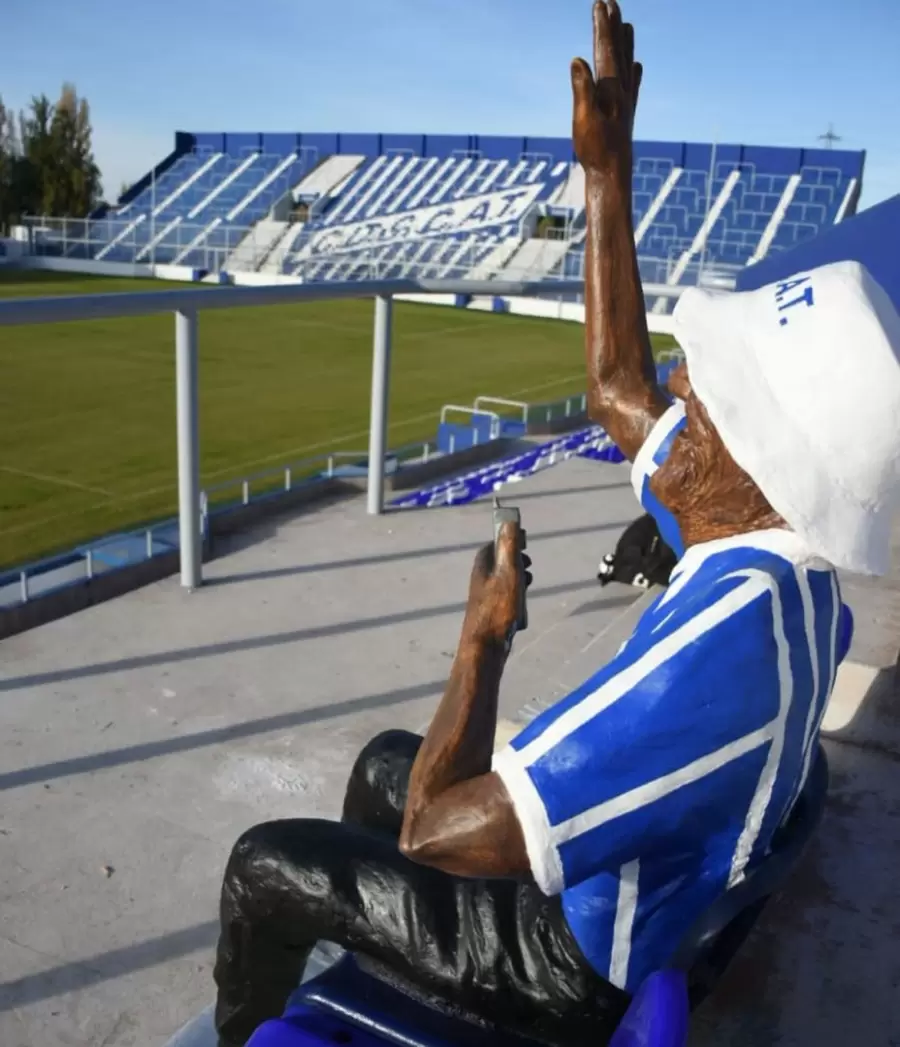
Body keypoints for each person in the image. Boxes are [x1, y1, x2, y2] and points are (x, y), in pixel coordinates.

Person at [212, 4, 900, 1046]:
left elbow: (434, 829)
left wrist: (482, 640)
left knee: (266, 862)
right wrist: (606, 173)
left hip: (566, 962)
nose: (679, 390)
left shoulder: (717, 658)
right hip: (643, 901)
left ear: (763, 463)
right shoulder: (779, 552)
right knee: (387, 758)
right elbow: (620, 388)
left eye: (711, 392)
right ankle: (365, 966)